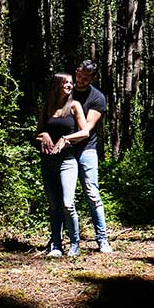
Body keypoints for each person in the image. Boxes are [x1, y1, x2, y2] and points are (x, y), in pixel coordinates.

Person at [35, 72, 89, 258]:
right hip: (47, 162)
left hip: (67, 161)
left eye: (71, 83)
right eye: (66, 82)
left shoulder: (74, 106)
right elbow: (36, 133)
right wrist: (44, 135)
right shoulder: (47, 107)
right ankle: (56, 244)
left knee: (67, 203)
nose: (70, 85)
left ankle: (75, 244)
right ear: (56, 84)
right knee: (54, 205)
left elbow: (85, 132)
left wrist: (66, 138)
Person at [70, 59, 113, 253]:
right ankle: (65, 241)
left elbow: (87, 128)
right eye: (79, 75)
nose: (80, 80)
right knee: (65, 199)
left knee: (92, 193)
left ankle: (102, 239)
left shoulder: (97, 97)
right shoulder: (66, 89)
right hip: (65, 151)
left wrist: (66, 139)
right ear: (76, 71)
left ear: (92, 78)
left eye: (85, 78)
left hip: (87, 149)